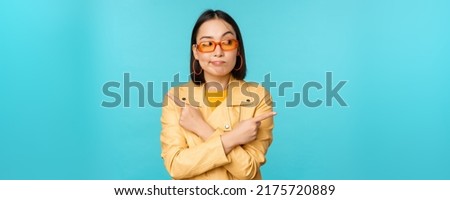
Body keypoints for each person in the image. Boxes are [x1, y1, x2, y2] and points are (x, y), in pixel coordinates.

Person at [160, 9, 275, 180]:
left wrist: (201, 128)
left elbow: (247, 170)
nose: (218, 52)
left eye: (227, 42)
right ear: (196, 52)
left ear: (237, 49)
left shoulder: (258, 96)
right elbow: (176, 166)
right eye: (207, 44)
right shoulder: (176, 98)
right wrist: (233, 138)